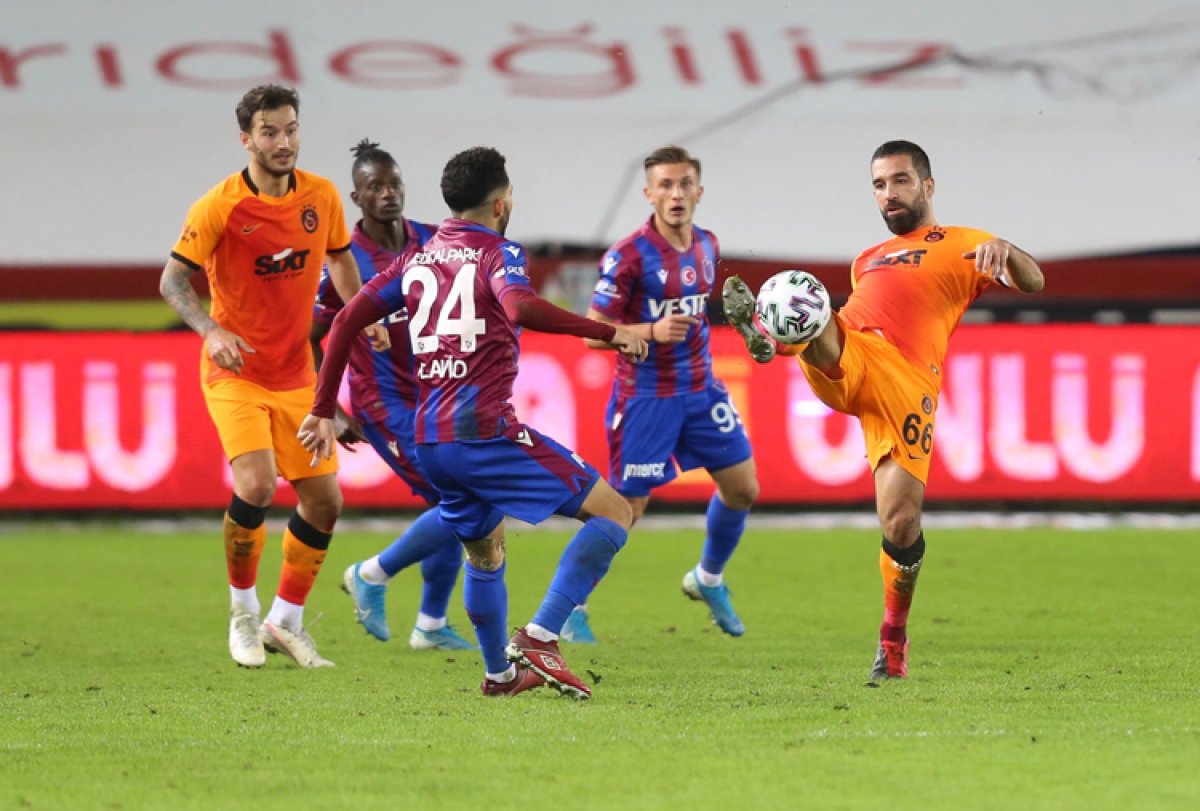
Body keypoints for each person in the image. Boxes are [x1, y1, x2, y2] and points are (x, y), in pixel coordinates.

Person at [299, 146, 649, 698]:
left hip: (430, 438)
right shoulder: (498, 254)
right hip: (484, 430)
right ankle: (541, 636)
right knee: (614, 512)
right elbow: (521, 308)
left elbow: (343, 323)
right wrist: (611, 331)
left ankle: (499, 674)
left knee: (485, 551)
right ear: (502, 202)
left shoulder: (414, 262)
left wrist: (322, 408)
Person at [723, 140, 1044, 679]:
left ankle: (893, 639)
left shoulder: (966, 244)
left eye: (899, 181)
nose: (888, 193)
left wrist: (1007, 251)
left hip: (906, 382)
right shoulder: (866, 259)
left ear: (928, 186)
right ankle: (777, 331)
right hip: (853, 350)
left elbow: (1033, 281)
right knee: (808, 298)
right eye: (879, 184)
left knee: (900, 523)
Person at [159, 84, 386, 669]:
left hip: (297, 376)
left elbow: (340, 257)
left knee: (325, 502)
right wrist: (211, 330)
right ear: (246, 139)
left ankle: (285, 621)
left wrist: (360, 314)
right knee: (257, 485)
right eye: (269, 132)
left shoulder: (321, 195)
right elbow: (172, 281)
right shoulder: (219, 207)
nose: (283, 142)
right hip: (235, 373)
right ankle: (243, 614)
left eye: (290, 129)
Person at [570, 145, 760, 642]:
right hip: (646, 397)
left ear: (700, 190)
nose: (676, 194)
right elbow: (592, 332)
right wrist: (650, 331)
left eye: (684, 184)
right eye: (666, 185)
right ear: (649, 193)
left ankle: (707, 578)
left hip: (701, 389)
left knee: (742, 488)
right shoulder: (629, 255)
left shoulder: (708, 245)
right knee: (626, 510)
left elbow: (700, 316)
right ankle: (571, 607)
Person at [310, 139, 474, 651]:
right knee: (464, 499)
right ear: (356, 198)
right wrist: (331, 409)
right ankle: (373, 575)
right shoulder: (344, 261)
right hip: (387, 406)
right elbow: (312, 337)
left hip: (440, 396)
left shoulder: (435, 241)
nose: (387, 193)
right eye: (374, 186)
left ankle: (430, 624)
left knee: (453, 503)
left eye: (394, 183)